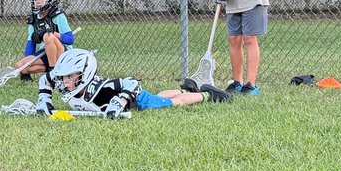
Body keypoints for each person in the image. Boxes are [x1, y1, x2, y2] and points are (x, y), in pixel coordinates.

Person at [36, 48, 231, 117]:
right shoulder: (65, 83)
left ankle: (207, 94)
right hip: (133, 100)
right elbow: (46, 78)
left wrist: (119, 102)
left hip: (137, 101)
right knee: (157, 96)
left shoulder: (103, 89)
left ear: (84, 74)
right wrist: (44, 100)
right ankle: (185, 88)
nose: (65, 82)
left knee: (172, 103)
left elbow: (132, 84)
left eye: (70, 77)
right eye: (64, 77)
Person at [15, 0, 75, 84]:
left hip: (62, 52)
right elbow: (31, 43)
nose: (38, 1)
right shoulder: (33, 20)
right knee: (20, 66)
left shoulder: (58, 16)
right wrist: (26, 63)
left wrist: (53, 34)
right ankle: (56, 70)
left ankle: (52, 73)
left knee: (48, 36)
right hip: (46, 52)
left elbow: (70, 39)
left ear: (51, 0)